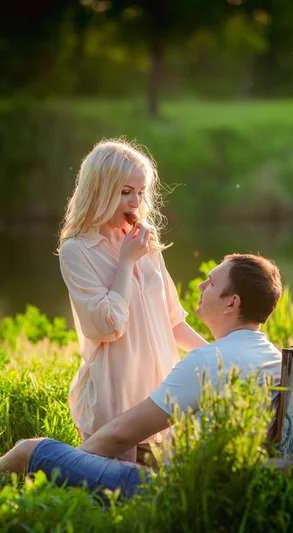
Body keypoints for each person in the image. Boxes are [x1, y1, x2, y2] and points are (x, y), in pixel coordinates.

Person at [0, 253, 284, 497]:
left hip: (175, 492)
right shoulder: (274, 357)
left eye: (210, 282)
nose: (200, 288)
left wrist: (71, 464)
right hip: (223, 489)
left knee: (29, 450)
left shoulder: (207, 360)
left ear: (231, 303)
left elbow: (121, 434)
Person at [57, 138, 207, 463]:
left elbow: (173, 320)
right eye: (126, 192)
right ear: (99, 190)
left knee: (158, 495)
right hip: (114, 399)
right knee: (113, 496)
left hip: (160, 401)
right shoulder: (77, 250)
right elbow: (107, 326)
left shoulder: (143, 240)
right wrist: (126, 262)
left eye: (140, 192)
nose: (135, 201)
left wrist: (215, 356)